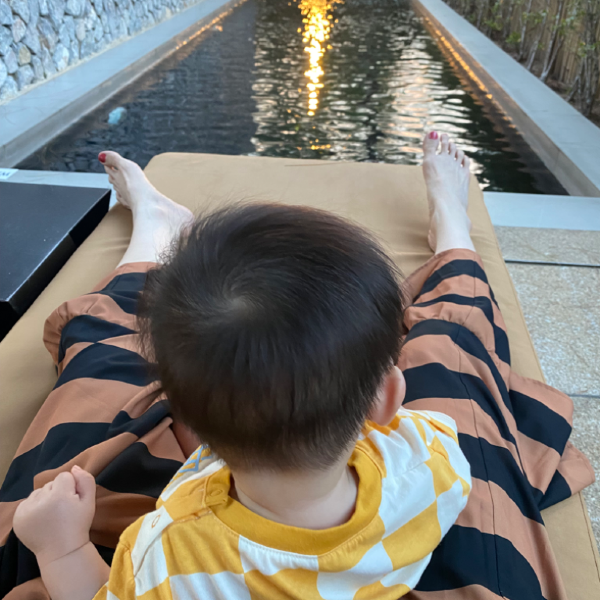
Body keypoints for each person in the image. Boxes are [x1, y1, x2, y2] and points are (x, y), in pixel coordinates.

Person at [0, 134, 593, 600]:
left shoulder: (169, 553)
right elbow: (444, 436)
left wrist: (61, 547)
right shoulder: (428, 464)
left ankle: (155, 237)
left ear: (181, 425)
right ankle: (452, 240)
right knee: (453, 347)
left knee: (103, 347)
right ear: (390, 397)